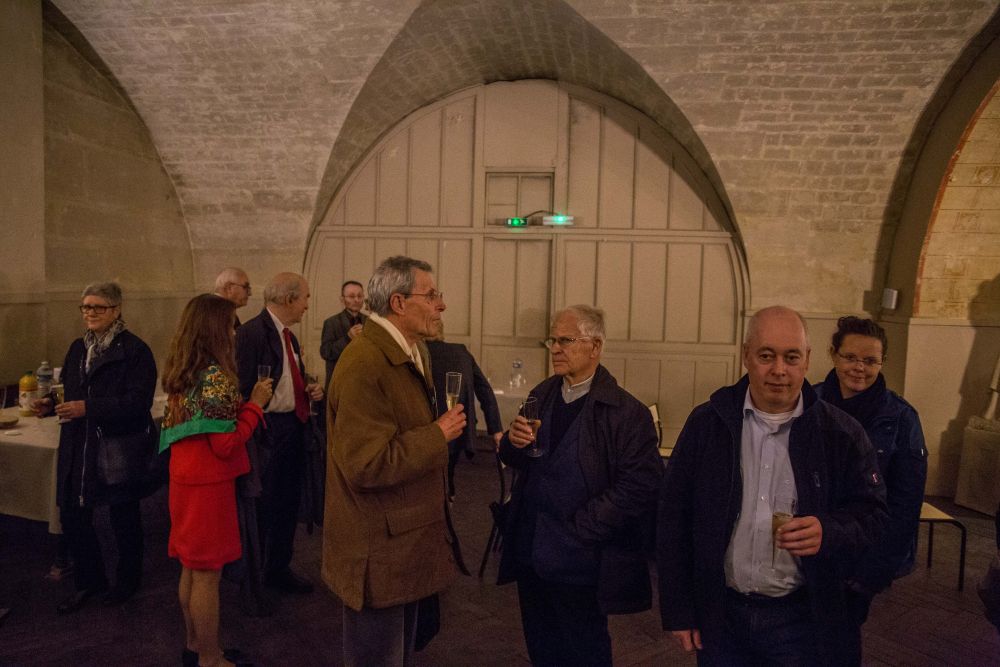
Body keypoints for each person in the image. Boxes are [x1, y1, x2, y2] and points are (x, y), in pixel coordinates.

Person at [657, 305, 888, 666]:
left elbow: (873, 516)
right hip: (722, 616)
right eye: (766, 356)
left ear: (807, 360)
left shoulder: (840, 433)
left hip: (801, 620)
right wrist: (679, 609)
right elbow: (673, 517)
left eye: (791, 357)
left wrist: (829, 530)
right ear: (746, 355)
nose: (779, 369)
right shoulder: (708, 424)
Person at [497, 305, 662, 666]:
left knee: (584, 650)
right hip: (533, 551)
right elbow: (515, 457)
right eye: (552, 341)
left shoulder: (625, 412)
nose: (555, 348)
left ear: (595, 347)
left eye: (566, 340)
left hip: (581, 558)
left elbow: (641, 484)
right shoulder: (542, 393)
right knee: (542, 648)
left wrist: (585, 526)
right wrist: (512, 441)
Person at [322, 256, 467, 666]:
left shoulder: (411, 351)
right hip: (378, 550)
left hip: (403, 543)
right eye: (431, 295)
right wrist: (437, 435)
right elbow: (366, 464)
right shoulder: (365, 363)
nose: (441, 304)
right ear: (399, 303)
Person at [160, 294, 273, 667]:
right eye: (230, 325)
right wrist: (255, 404)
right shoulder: (215, 378)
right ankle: (211, 659)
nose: (235, 333)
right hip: (209, 486)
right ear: (214, 329)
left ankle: (195, 646)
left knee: (191, 568)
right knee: (208, 575)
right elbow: (226, 444)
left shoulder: (182, 370)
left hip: (183, 478)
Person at [36, 282, 158, 614]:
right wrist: (49, 404)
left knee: (123, 516)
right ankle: (90, 581)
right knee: (74, 515)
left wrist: (88, 408)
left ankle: (127, 582)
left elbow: (138, 402)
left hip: (115, 447)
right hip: (79, 444)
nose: (89, 312)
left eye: (97, 307)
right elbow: (69, 390)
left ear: (116, 310)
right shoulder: (79, 347)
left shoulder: (135, 351)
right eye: (85, 307)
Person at [814, 315, 927, 655]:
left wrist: (874, 571)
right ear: (833, 355)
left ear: (882, 362)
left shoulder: (901, 418)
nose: (859, 368)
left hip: (860, 554)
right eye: (850, 357)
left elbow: (905, 504)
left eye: (870, 360)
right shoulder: (808, 403)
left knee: (840, 640)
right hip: (811, 544)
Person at [235, 272, 324, 595]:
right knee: (264, 507)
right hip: (266, 431)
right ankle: (256, 578)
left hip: (293, 428)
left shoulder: (290, 336)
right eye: (305, 298)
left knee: (288, 502)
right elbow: (241, 386)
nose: (307, 305)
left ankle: (279, 568)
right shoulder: (251, 333)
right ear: (288, 299)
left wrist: (309, 388)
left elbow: (289, 378)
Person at [426, 336, 504, 499]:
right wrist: (496, 430)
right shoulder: (461, 352)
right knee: (448, 472)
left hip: (427, 429)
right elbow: (485, 390)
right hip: (458, 425)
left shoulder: (419, 353)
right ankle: (448, 498)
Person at [319, 280, 367, 387]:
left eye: (360, 296)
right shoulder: (331, 323)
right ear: (342, 299)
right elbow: (326, 352)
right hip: (339, 382)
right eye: (351, 296)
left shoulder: (370, 322)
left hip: (364, 382)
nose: (356, 300)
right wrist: (347, 338)